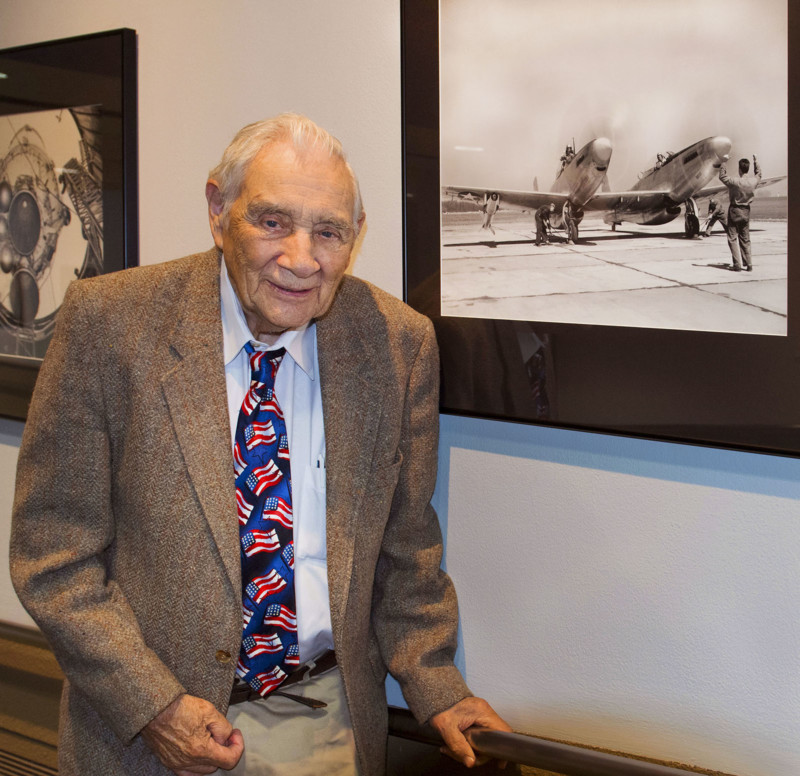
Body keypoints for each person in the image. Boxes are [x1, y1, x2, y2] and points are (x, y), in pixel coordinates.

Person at [10, 114, 510, 776]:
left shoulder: (399, 345)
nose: (302, 260)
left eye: (328, 231)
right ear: (218, 210)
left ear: (355, 237)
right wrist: (155, 706)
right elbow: (53, 557)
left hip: (325, 726)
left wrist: (438, 686)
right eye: (272, 222)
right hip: (147, 737)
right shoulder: (110, 324)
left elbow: (405, 549)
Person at [719, 155, 761, 271]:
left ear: (739, 169)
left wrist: (724, 161)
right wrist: (756, 162)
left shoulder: (734, 181)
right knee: (745, 238)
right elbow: (759, 174)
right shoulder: (753, 181)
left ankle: (737, 264)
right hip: (746, 211)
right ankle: (749, 264)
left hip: (734, 210)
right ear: (747, 168)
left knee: (732, 238)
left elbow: (722, 176)